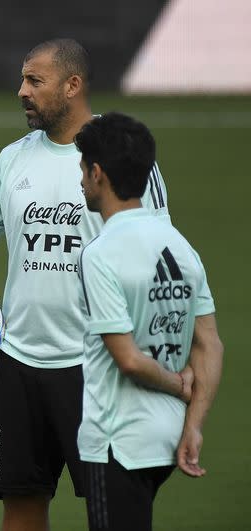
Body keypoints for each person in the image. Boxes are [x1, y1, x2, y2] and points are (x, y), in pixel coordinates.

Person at [0, 39, 169, 531]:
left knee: (113, 512)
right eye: (22, 80)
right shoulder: (14, 160)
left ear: (73, 85)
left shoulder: (122, 158)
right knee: (22, 505)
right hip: (21, 363)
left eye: (35, 81)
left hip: (98, 369)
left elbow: (156, 256)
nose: (21, 91)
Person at [75, 112, 223, 531]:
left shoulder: (100, 254)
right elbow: (209, 343)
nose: (81, 182)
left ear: (98, 173)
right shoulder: (180, 246)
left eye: (83, 171)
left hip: (117, 441)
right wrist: (193, 425)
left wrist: (178, 384)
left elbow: (129, 360)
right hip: (168, 437)